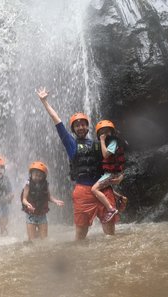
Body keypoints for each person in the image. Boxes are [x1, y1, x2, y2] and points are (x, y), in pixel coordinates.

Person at [36, 87, 122, 238]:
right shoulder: (71, 144)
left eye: (83, 124)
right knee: (80, 237)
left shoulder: (98, 143)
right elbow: (58, 122)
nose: (81, 127)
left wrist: (120, 178)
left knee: (110, 236)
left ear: (88, 127)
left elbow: (113, 163)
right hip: (82, 191)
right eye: (77, 125)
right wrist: (44, 102)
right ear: (74, 129)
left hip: (104, 189)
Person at [91, 120, 128, 223]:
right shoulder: (106, 143)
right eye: (102, 132)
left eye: (107, 131)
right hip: (109, 173)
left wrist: (102, 141)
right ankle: (121, 197)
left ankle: (110, 209)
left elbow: (106, 155)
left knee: (94, 189)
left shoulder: (113, 142)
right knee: (106, 187)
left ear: (112, 132)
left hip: (111, 174)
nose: (104, 134)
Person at [21, 161, 64, 241]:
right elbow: (24, 199)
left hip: (42, 214)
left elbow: (49, 197)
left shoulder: (45, 185)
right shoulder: (28, 184)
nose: (37, 177)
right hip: (31, 215)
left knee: (44, 240)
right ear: (31, 174)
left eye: (40, 176)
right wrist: (28, 205)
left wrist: (56, 201)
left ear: (44, 176)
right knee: (32, 240)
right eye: (35, 175)